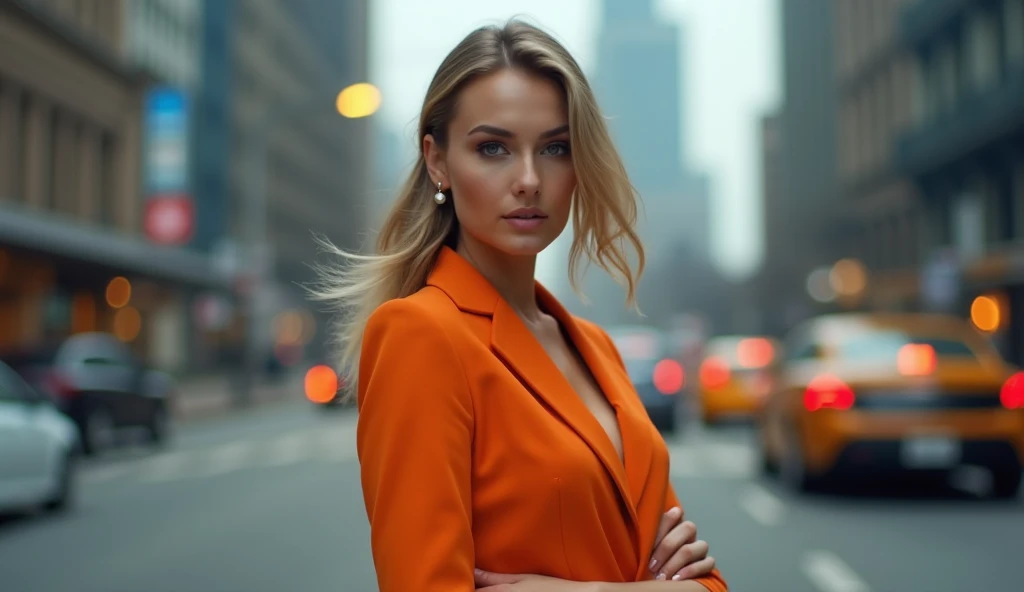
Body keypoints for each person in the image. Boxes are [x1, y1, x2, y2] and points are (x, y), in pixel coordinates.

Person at [315, 19, 728, 592]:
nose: (530, 179)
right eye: (493, 148)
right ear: (437, 161)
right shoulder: (419, 334)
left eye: (555, 148)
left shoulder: (596, 347)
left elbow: (705, 582)